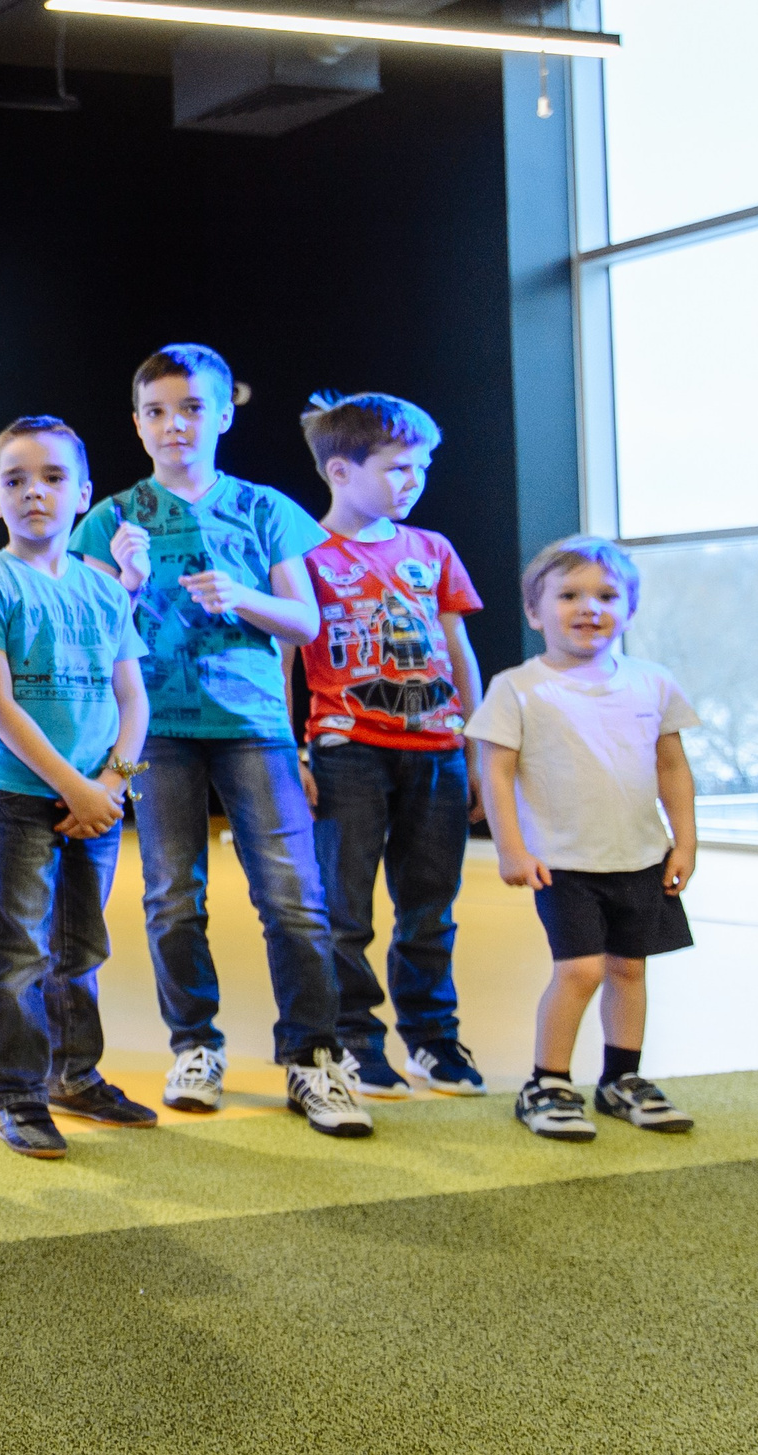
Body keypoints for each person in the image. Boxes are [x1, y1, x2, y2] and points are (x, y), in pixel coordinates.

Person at [68, 344, 369, 1139]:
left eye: (193, 408)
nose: (176, 426)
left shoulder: (264, 507)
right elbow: (88, 637)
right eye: (159, 412)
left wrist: (244, 596)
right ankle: (194, 1046)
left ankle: (313, 1056)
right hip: (155, 730)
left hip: (253, 726)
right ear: (137, 425)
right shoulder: (110, 518)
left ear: (224, 414)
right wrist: (124, 586)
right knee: (171, 897)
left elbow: (307, 621)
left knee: (294, 900)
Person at [0, 417, 154, 1159]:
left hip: (97, 800)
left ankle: (75, 1074)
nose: (33, 493)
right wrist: (74, 786)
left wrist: (111, 782)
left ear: (83, 495)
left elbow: (132, 697)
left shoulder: (105, 594)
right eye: (15, 480)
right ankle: (16, 1092)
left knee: (81, 946)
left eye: (51, 478)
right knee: (17, 952)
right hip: (19, 796)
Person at [287, 391, 488, 1099]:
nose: (415, 481)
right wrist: (294, 752)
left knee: (430, 905)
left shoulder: (433, 550)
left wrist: (478, 748)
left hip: (437, 749)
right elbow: (286, 656)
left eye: (423, 467)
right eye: (399, 468)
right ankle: (354, 1038)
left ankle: (434, 1039)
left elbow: (459, 651)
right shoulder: (304, 551)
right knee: (345, 910)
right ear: (340, 472)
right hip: (347, 752)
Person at [466, 537, 699, 1143]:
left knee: (629, 969)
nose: (588, 607)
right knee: (581, 971)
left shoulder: (653, 682)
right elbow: (495, 769)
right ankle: (546, 1083)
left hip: (641, 858)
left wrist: (685, 840)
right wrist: (511, 848)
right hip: (564, 862)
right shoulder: (518, 687)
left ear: (629, 610)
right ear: (536, 612)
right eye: (568, 595)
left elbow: (672, 766)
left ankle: (622, 1079)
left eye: (606, 596)